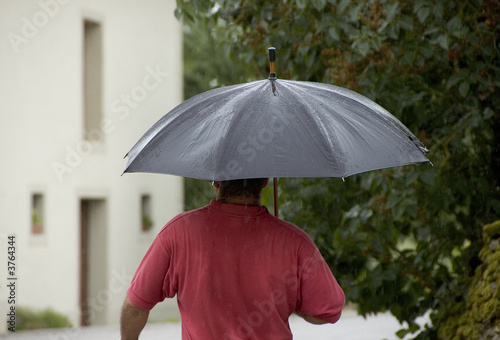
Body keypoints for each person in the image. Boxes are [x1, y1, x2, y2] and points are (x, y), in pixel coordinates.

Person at [121, 178, 345, 340]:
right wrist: (291, 301)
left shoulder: (178, 232)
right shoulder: (295, 241)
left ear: (216, 181)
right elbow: (328, 311)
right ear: (265, 181)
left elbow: (135, 307)